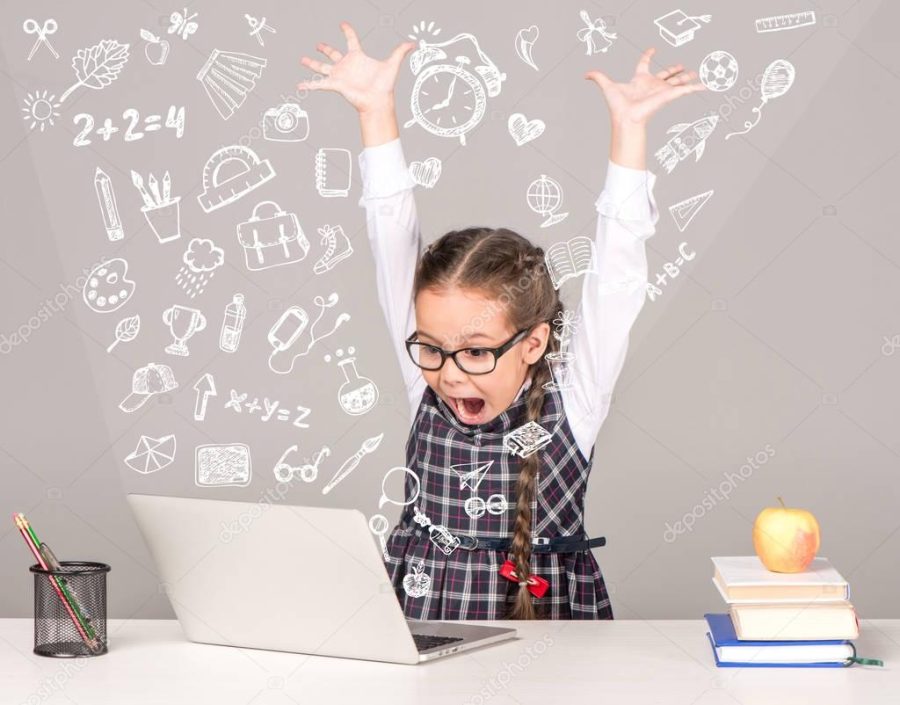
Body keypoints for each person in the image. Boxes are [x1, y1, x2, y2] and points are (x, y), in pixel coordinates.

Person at [298, 22, 704, 619]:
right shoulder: (426, 385)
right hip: (424, 616)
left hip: (549, 631)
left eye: (477, 352)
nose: (452, 374)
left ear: (534, 341)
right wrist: (375, 113)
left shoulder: (577, 398)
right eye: (431, 348)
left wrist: (632, 131)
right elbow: (391, 237)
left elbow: (618, 274)